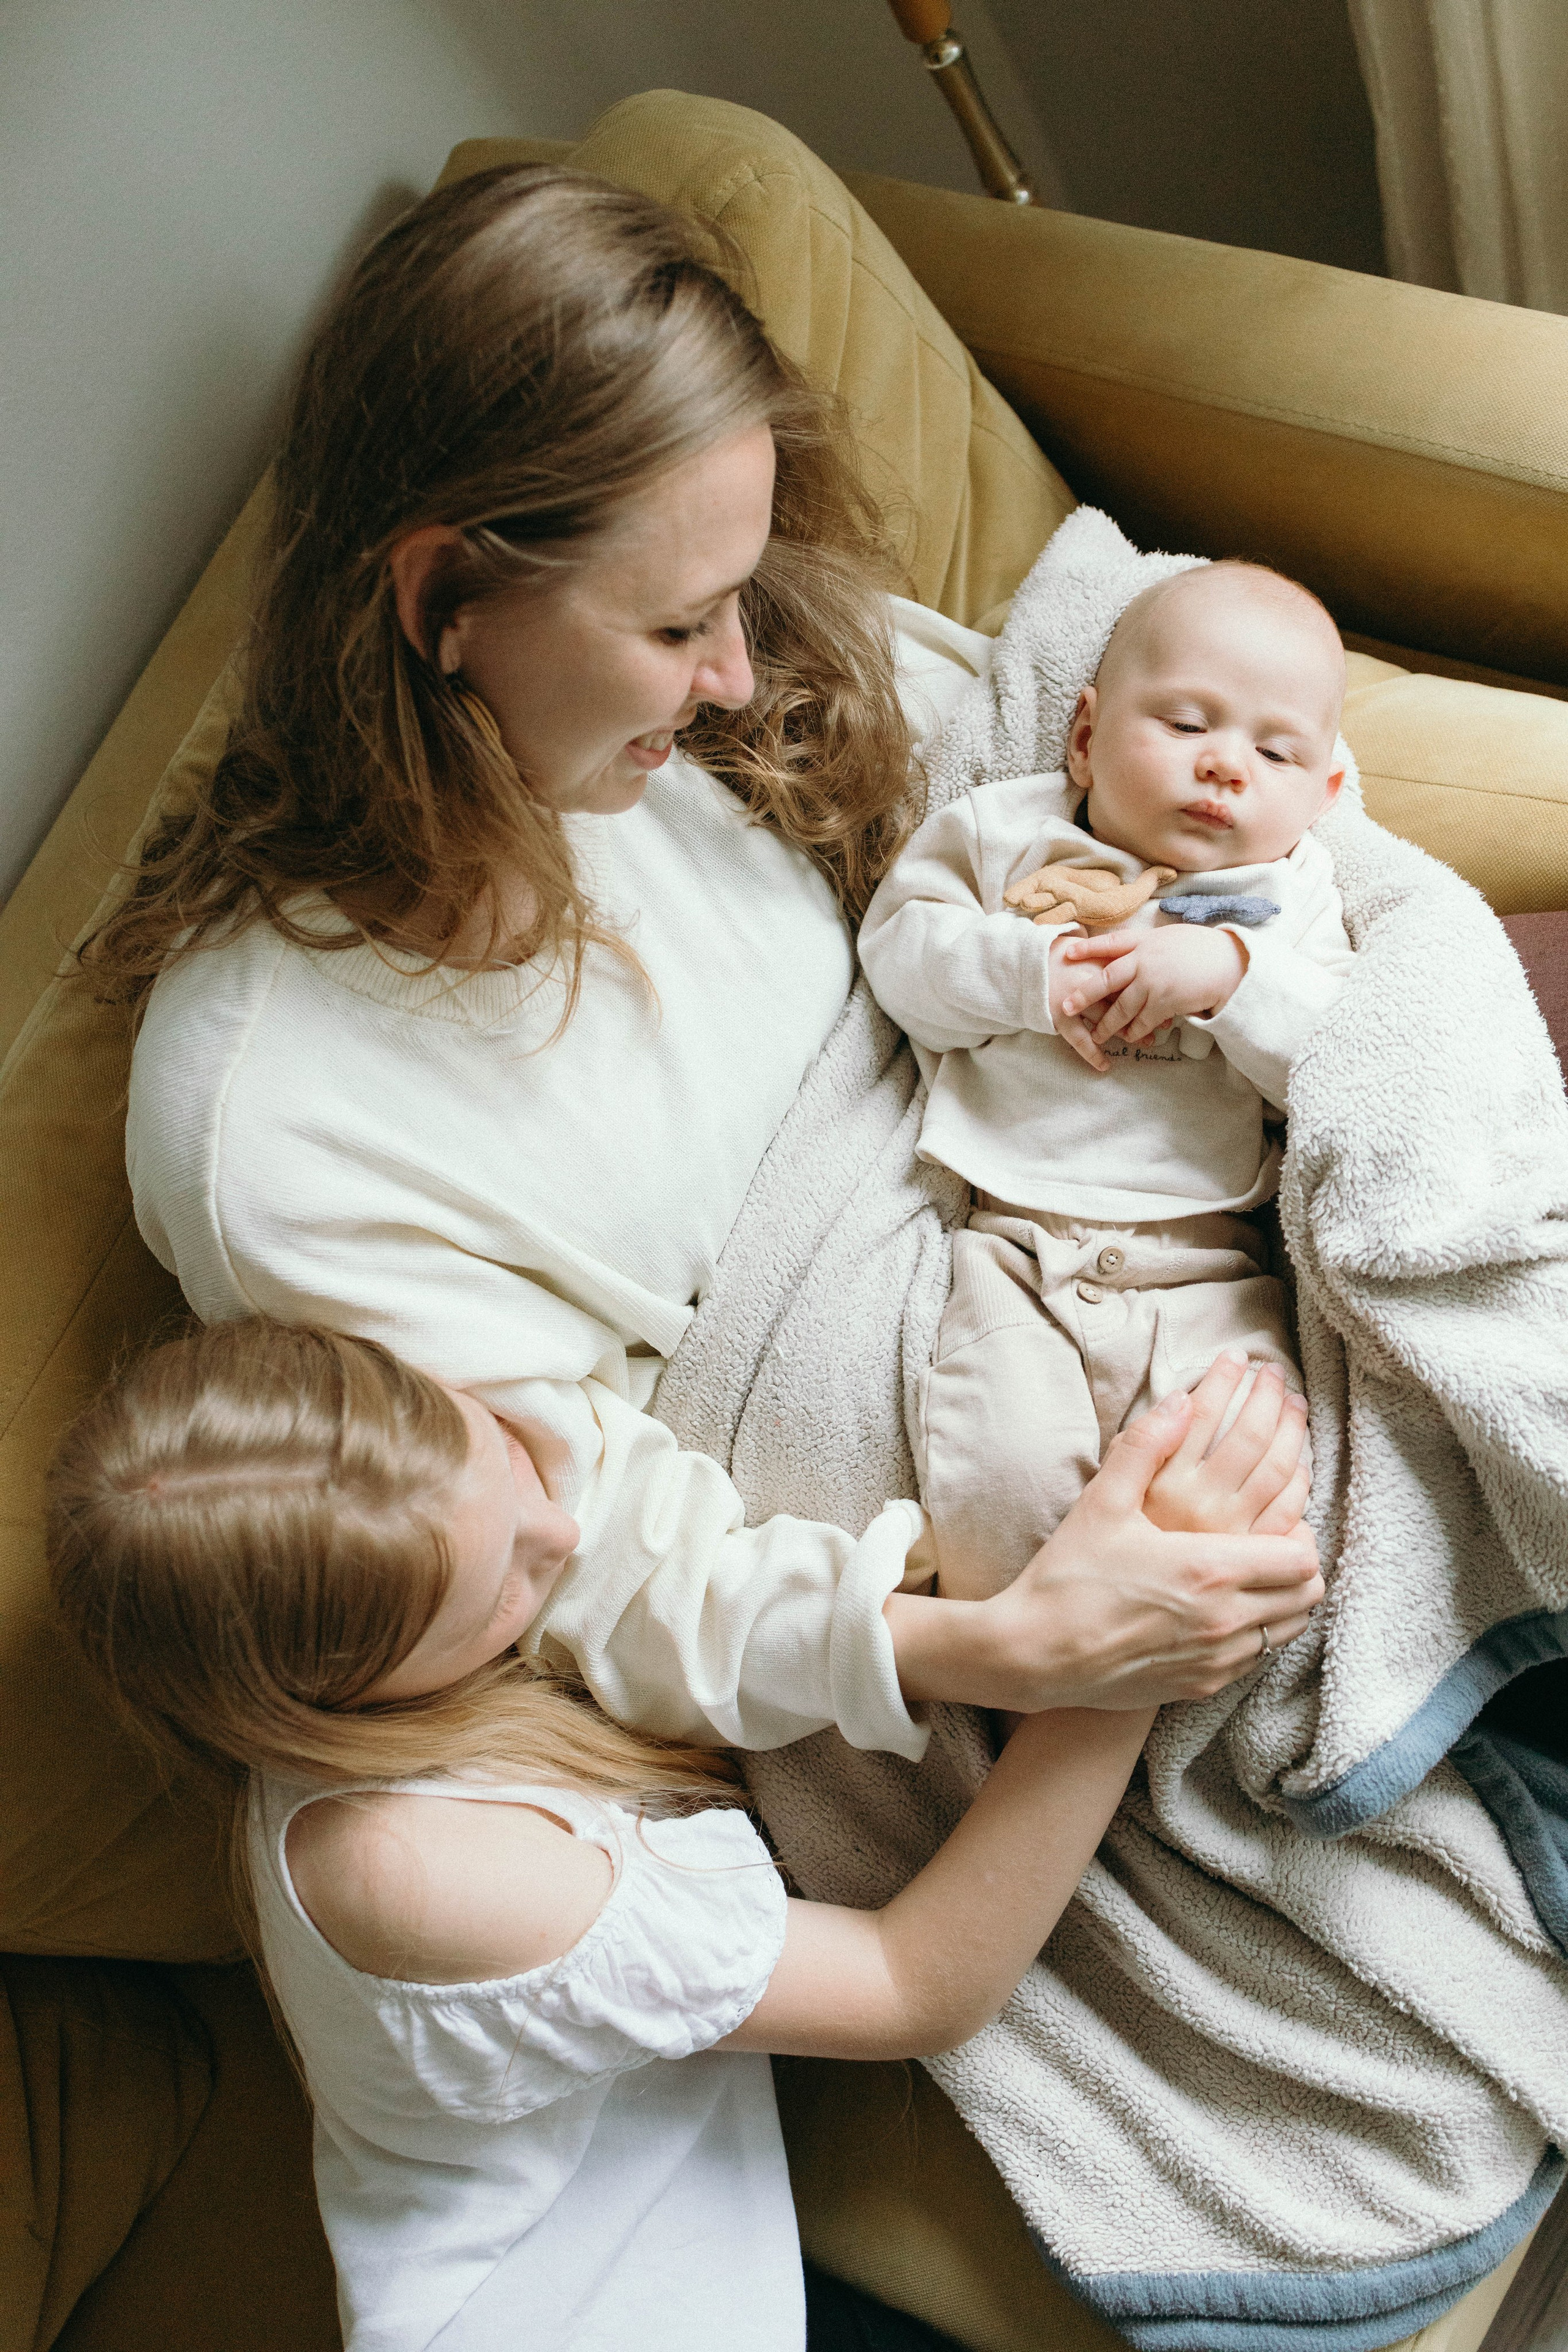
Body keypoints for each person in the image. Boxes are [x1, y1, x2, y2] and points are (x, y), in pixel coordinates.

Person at [86, 164, 1322, 1774]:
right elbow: (588, 1557)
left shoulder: (689, 712)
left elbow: (1059, 760)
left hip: (1181, 1197)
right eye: (676, 628)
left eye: (735, 600)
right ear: (443, 599)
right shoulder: (276, 1138)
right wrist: (1021, 1647)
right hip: (1010, 1471)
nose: (736, 671)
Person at [45, 1318, 1315, 2352]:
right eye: (498, 1588)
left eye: (506, 1460)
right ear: (341, 1692)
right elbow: (914, 1984)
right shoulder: (410, 1867)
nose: (564, 1535)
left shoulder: (373, 1528)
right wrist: (1132, 1655)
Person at [859, 562, 1353, 1599]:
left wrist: (1233, 976)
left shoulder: (1293, 898)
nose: (1225, 766)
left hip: (1212, 1271)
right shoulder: (1004, 833)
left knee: (1250, 1473)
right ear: (1085, 737)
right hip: (1014, 1253)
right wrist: (1028, 974)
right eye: (1185, 724)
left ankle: (1163, 1658)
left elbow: (1342, 1062)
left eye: (1275, 752)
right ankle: (1021, 1650)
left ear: (1325, 795)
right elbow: (899, 956)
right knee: (1001, 1478)